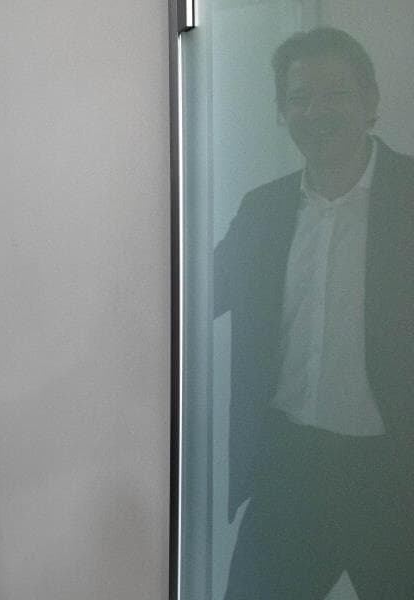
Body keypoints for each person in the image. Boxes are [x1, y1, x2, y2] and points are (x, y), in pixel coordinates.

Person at [215, 28, 414, 599]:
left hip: (395, 475)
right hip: (289, 470)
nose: (315, 112)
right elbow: (196, 298)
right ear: (282, 113)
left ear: (370, 101)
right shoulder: (263, 210)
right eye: (299, 98)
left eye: (334, 94)